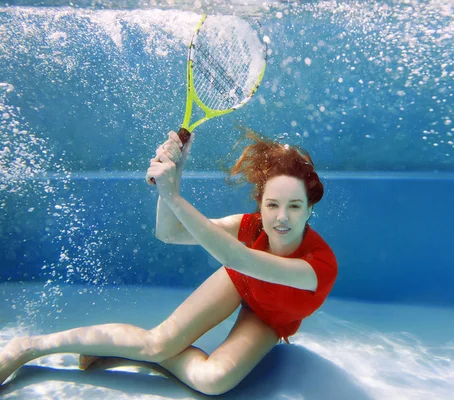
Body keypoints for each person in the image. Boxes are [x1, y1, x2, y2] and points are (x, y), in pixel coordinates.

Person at [0, 129, 338, 395]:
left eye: (294, 206)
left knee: (213, 380)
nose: (281, 218)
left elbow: (239, 258)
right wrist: (169, 186)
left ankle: (139, 354)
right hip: (241, 281)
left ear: (310, 209)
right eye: (272, 205)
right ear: (260, 205)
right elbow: (170, 234)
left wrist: (174, 194)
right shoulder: (249, 227)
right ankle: (29, 347)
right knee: (156, 342)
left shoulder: (318, 267)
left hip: (269, 315)